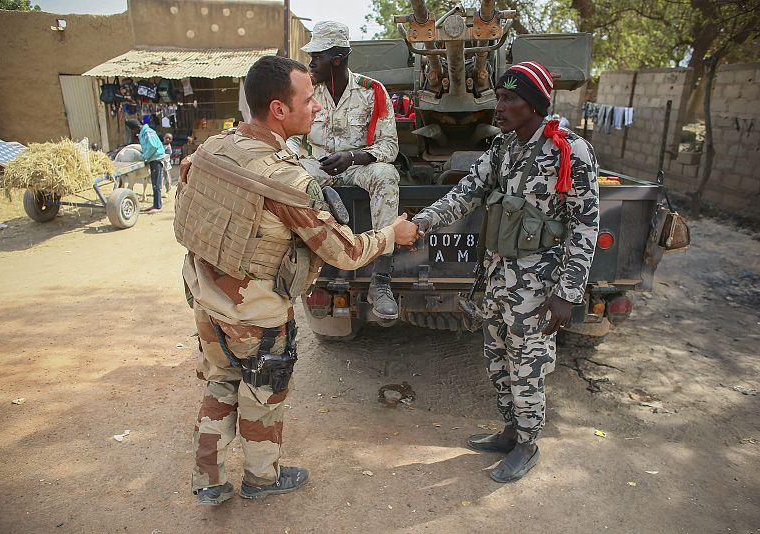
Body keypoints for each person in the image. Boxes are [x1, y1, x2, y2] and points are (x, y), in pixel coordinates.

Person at [176, 55, 419, 506]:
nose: (318, 108)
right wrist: (392, 234)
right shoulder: (285, 181)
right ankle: (261, 480)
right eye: (308, 100)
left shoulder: (215, 148)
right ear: (279, 109)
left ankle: (208, 481)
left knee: (220, 384)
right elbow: (345, 253)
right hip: (255, 311)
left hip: (206, 296)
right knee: (262, 395)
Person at [412, 61, 599, 483]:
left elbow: (585, 226)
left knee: (527, 367)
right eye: (499, 97)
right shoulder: (502, 148)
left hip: (538, 284)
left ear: (533, 104)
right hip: (497, 278)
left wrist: (568, 292)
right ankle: (511, 430)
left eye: (508, 98)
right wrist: (422, 222)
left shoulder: (569, 150)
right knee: (497, 360)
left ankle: (528, 445)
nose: (499, 106)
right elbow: (466, 192)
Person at [287, 21, 402, 321]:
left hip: (356, 167)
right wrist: (297, 163)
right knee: (291, 177)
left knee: (387, 176)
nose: (311, 62)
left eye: (317, 56)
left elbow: (389, 146)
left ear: (336, 59)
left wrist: (351, 157)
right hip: (319, 168)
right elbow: (291, 139)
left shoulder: (371, 91)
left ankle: (381, 281)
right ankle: (296, 264)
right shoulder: (307, 94)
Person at [125, 118, 165, 213]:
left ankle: (157, 207)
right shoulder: (144, 132)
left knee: (156, 184)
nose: (134, 132)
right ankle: (156, 204)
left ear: (137, 127)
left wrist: (144, 157)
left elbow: (153, 146)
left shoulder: (147, 132)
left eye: (134, 130)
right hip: (153, 158)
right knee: (154, 183)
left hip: (156, 159)